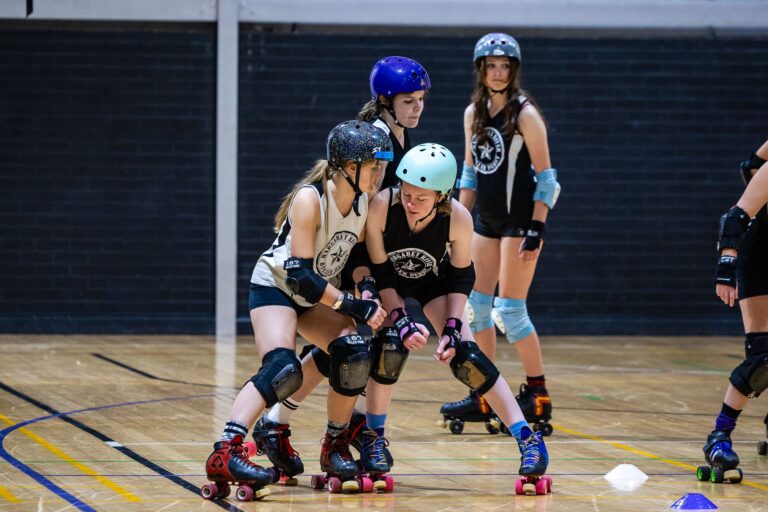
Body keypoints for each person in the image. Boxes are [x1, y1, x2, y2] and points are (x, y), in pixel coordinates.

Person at [254, 143, 551, 490]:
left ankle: (527, 438)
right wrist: (401, 319)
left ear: (442, 197)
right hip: (384, 282)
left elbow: (460, 279)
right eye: (406, 193)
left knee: (467, 356)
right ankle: (374, 437)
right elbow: (382, 273)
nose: (410, 203)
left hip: (433, 285)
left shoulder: (458, 218)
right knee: (386, 346)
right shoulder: (382, 206)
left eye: (421, 199)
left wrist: (453, 326)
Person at [251, 56, 431, 474]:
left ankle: (287, 425)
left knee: (343, 350)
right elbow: (370, 217)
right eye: (408, 100)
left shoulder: (398, 137)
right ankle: (362, 435)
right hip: (349, 260)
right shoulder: (380, 139)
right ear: (385, 102)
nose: (417, 107)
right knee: (365, 347)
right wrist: (365, 285)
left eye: (421, 100)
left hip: (358, 259)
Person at [200, 120, 392, 500]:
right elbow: (301, 277)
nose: (379, 174)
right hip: (277, 288)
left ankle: (334, 444)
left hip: (314, 296)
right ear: (347, 167)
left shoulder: (362, 201)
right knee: (282, 368)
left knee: (351, 351)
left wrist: (367, 288)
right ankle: (226, 449)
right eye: (373, 166)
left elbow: (361, 259)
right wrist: (351, 303)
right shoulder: (311, 198)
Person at [443, 32, 561, 435]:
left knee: (510, 311)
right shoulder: (472, 112)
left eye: (504, 66)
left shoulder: (525, 114)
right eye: (491, 65)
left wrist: (538, 226)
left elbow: (547, 177)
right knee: (475, 307)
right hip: (486, 222)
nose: (497, 72)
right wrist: (458, 218)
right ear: (481, 70)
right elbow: (471, 172)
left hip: (520, 222)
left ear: (514, 70)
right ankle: (484, 393)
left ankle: (538, 395)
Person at [697, 143, 768, 484]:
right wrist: (726, 268)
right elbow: (735, 219)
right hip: (760, 262)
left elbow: (750, 163)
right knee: (763, 356)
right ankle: (719, 435)